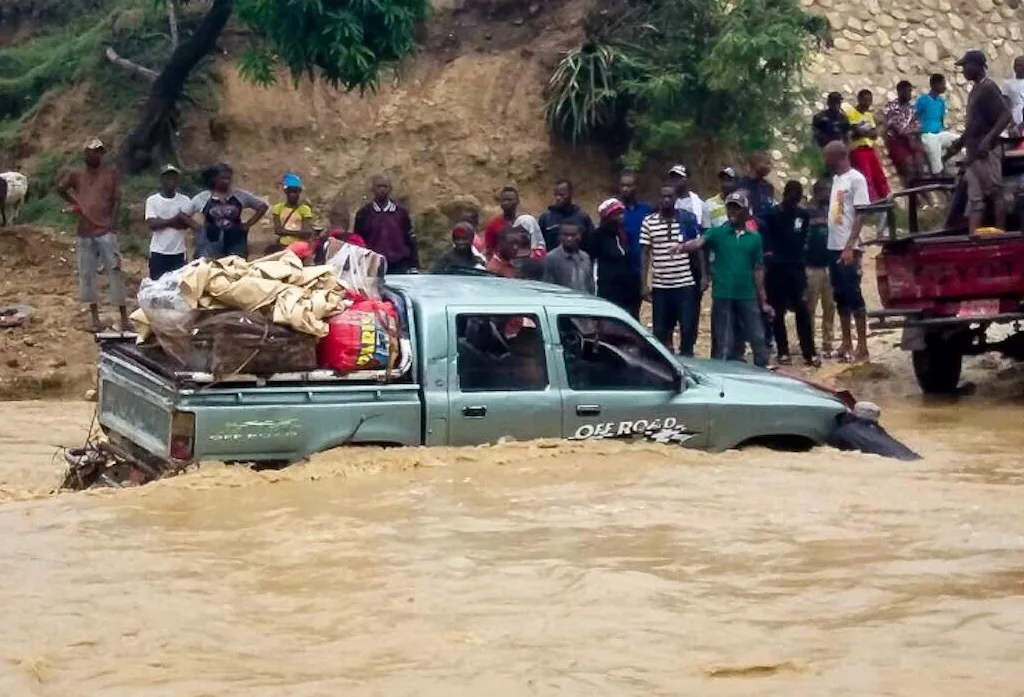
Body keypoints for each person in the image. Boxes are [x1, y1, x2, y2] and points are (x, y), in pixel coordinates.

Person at [680, 192, 772, 368]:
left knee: (757, 338)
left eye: (736, 208)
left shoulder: (754, 238)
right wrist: (682, 247)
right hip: (724, 294)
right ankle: (724, 375)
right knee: (724, 340)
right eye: (730, 207)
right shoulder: (718, 233)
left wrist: (764, 299)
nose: (732, 211)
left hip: (747, 294)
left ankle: (762, 371)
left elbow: (758, 269)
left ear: (745, 211)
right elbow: (699, 243)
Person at [58, 138, 129, 332]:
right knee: (87, 274)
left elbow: (116, 200)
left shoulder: (110, 173)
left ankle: (124, 318)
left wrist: (113, 226)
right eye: (91, 151)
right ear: (85, 154)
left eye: (98, 151)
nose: (95, 154)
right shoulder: (77, 174)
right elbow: (60, 188)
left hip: (105, 230)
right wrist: (76, 203)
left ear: (102, 154)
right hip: (84, 231)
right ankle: (94, 318)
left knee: (115, 271)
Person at [945, 50, 1013, 236]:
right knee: (975, 199)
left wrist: (988, 139)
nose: (964, 71)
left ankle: (1001, 233)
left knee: (995, 192)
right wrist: (959, 143)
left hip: (986, 151)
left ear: (977, 66)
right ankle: (973, 235)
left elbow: (1005, 115)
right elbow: (974, 124)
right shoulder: (975, 90)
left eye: (966, 66)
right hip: (973, 152)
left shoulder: (989, 88)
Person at [762, 181, 819, 367]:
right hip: (776, 269)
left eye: (798, 195)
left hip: (796, 268)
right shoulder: (771, 215)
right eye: (792, 194)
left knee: (802, 309)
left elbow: (803, 240)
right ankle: (783, 351)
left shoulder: (803, 215)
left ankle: (809, 352)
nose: (795, 198)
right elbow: (765, 237)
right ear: (785, 194)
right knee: (777, 312)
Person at [823, 141, 871, 363]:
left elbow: (861, 214)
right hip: (833, 246)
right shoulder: (836, 180)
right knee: (840, 295)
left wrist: (850, 245)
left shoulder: (856, 179)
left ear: (838, 156)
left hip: (848, 246)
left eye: (827, 157)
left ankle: (862, 345)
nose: (825, 161)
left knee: (853, 294)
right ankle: (846, 342)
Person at [640, 183, 699, 356]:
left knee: (687, 327)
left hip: (685, 283)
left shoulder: (686, 220)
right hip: (661, 285)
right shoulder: (649, 221)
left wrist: (703, 276)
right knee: (660, 329)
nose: (666, 200)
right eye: (663, 196)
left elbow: (697, 247)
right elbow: (645, 253)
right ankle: (665, 363)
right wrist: (644, 284)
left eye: (670, 196)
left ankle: (688, 359)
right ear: (658, 199)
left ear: (676, 199)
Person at [188, 162, 269, 260]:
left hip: (236, 242)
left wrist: (247, 225)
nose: (227, 181)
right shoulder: (202, 198)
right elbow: (184, 215)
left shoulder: (239, 195)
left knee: (236, 269)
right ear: (214, 179)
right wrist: (197, 228)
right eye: (223, 178)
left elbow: (262, 207)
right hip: (210, 243)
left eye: (228, 178)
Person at [353, 175, 419, 274]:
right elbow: (358, 241)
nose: (382, 190)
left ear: (390, 189)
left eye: (385, 186)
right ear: (373, 189)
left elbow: (410, 239)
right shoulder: (364, 213)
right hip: (372, 264)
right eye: (379, 186)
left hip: (398, 264)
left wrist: (413, 265)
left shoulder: (401, 213)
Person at [589, 198, 639, 314]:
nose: (621, 217)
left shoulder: (624, 234)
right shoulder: (598, 236)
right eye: (617, 214)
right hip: (608, 288)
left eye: (622, 213)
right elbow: (592, 259)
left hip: (626, 288)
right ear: (607, 217)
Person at [143, 164, 192, 281]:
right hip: (158, 252)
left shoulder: (185, 200)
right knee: (157, 286)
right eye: (168, 177)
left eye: (174, 177)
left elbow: (185, 225)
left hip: (178, 252)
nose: (171, 180)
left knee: (176, 287)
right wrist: (176, 218)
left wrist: (163, 222)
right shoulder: (152, 200)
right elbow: (153, 225)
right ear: (161, 179)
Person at [806, 178, 836, 358]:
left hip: (830, 264)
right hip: (812, 265)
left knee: (830, 306)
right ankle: (809, 342)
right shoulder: (807, 211)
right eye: (827, 191)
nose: (829, 195)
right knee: (810, 306)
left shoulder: (833, 210)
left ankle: (828, 343)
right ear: (818, 192)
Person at [845, 89, 890, 201]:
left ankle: (886, 197)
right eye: (865, 100)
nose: (867, 103)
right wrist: (867, 132)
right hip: (858, 149)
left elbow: (874, 134)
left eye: (870, 101)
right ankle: (870, 200)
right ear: (859, 100)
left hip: (870, 149)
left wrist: (867, 133)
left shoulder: (868, 116)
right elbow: (856, 131)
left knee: (878, 174)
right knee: (866, 176)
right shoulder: (852, 113)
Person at [883, 81, 926, 190]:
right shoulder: (891, 107)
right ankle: (914, 194)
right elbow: (897, 129)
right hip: (898, 141)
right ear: (899, 91)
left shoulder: (912, 108)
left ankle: (922, 191)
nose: (910, 94)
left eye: (910, 91)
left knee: (919, 165)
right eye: (907, 91)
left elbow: (919, 127)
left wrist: (912, 136)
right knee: (909, 166)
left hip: (911, 139)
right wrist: (910, 133)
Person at [618, 172, 654, 298]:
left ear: (636, 187)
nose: (625, 189)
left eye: (629, 186)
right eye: (622, 186)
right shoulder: (615, 211)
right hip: (621, 269)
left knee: (635, 308)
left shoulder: (646, 210)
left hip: (641, 268)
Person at [916, 74, 960, 174]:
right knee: (936, 160)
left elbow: (941, 119)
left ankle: (945, 159)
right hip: (927, 135)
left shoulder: (941, 101)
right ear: (934, 85)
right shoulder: (923, 100)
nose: (944, 86)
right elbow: (915, 116)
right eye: (942, 84)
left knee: (960, 140)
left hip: (939, 133)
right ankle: (937, 175)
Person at [484, 187, 545, 259]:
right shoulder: (493, 225)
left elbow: (537, 245)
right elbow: (489, 250)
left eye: (510, 200)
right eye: (504, 200)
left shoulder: (527, 222)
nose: (506, 203)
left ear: (517, 201)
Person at [537, 179, 595, 250]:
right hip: (552, 259)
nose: (558, 198)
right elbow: (540, 244)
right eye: (556, 195)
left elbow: (591, 244)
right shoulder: (546, 218)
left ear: (570, 194)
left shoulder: (582, 217)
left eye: (562, 195)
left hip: (577, 259)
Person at [542, 222, 595, 294]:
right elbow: (548, 286)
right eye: (565, 235)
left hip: (585, 301)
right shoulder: (551, 258)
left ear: (580, 236)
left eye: (573, 235)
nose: (569, 239)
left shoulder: (585, 257)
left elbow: (590, 285)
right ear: (559, 237)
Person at [272, 173, 314, 247]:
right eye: (290, 191)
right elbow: (277, 231)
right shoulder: (278, 208)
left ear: (299, 192)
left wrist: (285, 232)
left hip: (299, 247)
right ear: (286, 192)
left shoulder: (304, 209)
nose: (292, 194)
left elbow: (307, 233)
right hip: (283, 246)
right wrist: (298, 233)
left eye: (295, 191)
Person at [1002, 56, 1024, 133]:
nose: (1017, 68)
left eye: (1020, 65)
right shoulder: (1008, 84)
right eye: (1016, 65)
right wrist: (1010, 119)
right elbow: (1005, 103)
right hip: (1014, 119)